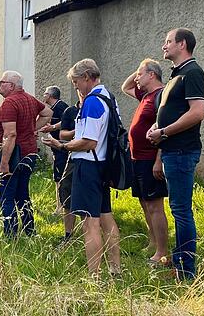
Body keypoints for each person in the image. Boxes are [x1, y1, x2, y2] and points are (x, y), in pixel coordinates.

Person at [42, 59, 121, 278]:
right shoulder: (109, 98)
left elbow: (88, 141)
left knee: (90, 223)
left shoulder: (92, 101)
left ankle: (93, 276)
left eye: (76, 82)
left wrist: (62, 145)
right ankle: (115, 269)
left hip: (88, 165)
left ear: (87, 76)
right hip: (104, 164)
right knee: (106, 218)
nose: (75, 87)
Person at [147, 28, 204, 280]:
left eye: (168, 41)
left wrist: (164, 132)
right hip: (172, 151)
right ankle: (180, 265)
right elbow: (170, 111)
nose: (164, 46)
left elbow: (196, 113)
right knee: (177, 209)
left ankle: (185, 271)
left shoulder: (192, 72)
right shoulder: (177, 75)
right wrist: (156, 129)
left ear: (182, 44)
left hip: (182, 151)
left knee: (182, 211)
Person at [0, 71, 53, 237]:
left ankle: (11, 234)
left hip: (13, 156)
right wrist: (33, 128)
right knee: (22, 194)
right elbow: (48, 113)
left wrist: (4, 163)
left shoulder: (10, 103)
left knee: (6, 195)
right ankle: (30, 230)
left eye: (1, 82)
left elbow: (10, 135)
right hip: (29, 153)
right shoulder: (29, 98)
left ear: (11, 85)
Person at [121, 59, 169, 266]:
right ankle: (153, 242)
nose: (136, 78)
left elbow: (166, 131)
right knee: (144, 203)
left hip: (151, 159)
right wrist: (140, 68)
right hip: (137, 158)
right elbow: (126, 87)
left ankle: (162, 252)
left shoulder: (161, 96)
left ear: (152, 75)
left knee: (155, 205)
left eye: (141, 74)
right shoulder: (145, 95)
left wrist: (159, 160)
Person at [56, 91, 81, 245]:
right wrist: (76, 131)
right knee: (66, 191)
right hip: (73, 156)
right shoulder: (70, 111)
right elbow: (62, 134)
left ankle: (93, 232)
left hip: (93, 158)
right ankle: (68, 234)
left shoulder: (95, 107)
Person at [39, 86, 69, 214]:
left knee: (60, 177)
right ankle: (60, 204)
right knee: (57, 177)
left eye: (45, 93)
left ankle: (61, 207)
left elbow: (66, 121)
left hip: (62, 147)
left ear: (50, 95)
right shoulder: (53, 108)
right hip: (56, 147)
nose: (43, 96)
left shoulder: (61, 106)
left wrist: (52, 127)